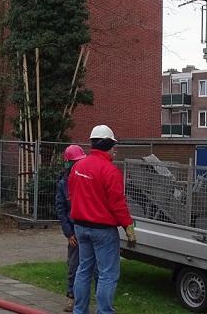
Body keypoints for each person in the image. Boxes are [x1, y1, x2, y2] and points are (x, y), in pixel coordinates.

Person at [69, 125, 137, 314]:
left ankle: (79, 310)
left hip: (81, 228)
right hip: (103, 231)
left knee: (84, 270)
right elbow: (117, 204)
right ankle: (104, 311)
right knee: (107, 274)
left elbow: (72, 194)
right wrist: (128, 228)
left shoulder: (78, 166)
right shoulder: (110, 171)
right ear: (108, 144)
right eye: (114, 146)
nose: (115, 150)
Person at [55, 144, 86, 312]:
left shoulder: (85, 179)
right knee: (74, 265)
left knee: (93, 267)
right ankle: (71, 297)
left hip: (87, 227)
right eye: (74, 162)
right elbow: (61, 209)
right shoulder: (63, 184)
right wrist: (68, 233)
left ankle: (89, 298)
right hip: (74, 231)